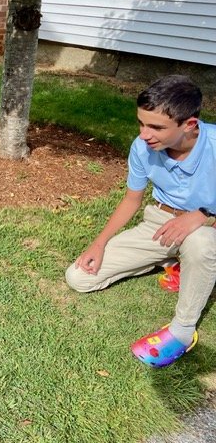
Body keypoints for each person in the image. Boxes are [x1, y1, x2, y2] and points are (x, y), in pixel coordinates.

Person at [65, 75, 216, 368]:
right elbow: (132, 199)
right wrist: (98, 243)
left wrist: (201, 215)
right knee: (79, 277)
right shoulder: (142, 147)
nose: (145, 134)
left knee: (199, 242)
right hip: (160, 222)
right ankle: (178, 263)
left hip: (208, 227)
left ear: (190, 124)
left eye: (156, 127)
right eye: (141, 123)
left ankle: (182, 332)